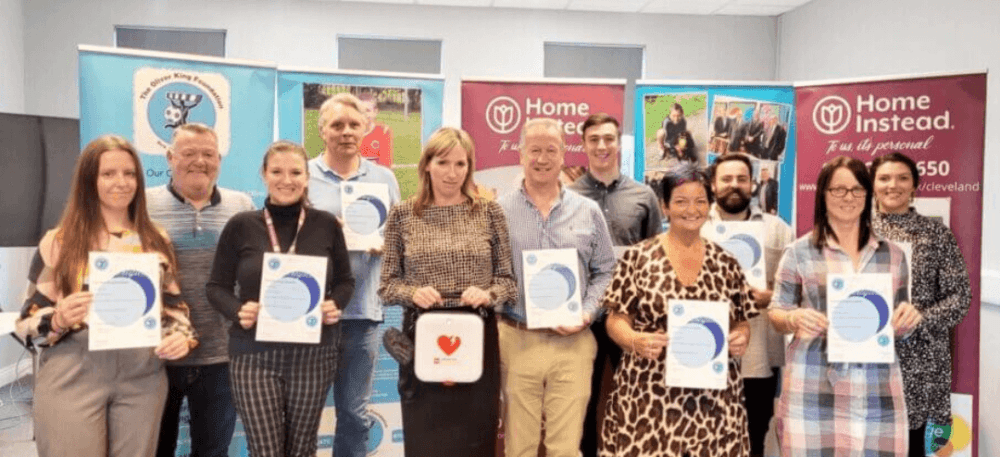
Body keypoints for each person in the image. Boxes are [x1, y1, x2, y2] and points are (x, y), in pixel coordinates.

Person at [15, 134, 196, 457]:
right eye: (108, 174)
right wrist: (57, 318)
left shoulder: (156, 241)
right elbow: (26, 323)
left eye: (129, 174)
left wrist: (181, 337)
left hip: (143, 377)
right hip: (74, 373)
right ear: (89, 180)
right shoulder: (59, 242)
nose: (122, 182)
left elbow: (175, 312)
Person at [206, 140, 354, 457]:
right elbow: (216, 287)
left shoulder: (326, 224)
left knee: (302, 448)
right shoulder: (241, 225)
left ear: (307, 177)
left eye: (295, 172)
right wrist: (237, 310)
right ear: (264, 174)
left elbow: (345, 281)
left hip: (314, 354)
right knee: (265, 449)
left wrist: (335, 304)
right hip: (253, 355)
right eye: (277, 171)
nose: (286, 180)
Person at [599, 162, 754, 457]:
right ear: (665, 206)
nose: (691, 209)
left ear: (710, 205)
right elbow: (615, 320)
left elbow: (741, 322)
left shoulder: (727, 262)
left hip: (714, 401)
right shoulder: (637, 258)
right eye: (681, 201)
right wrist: (634, 340)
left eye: (700, 201)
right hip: (648, 396)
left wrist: (740, 338)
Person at [378, 127, 517, 456]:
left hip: (478, 332)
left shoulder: (489, 211)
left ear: (470, 167)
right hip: (421, 332)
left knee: (474, 435)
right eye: (443, 163)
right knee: (426, 436)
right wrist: (413, 293)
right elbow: (387, 286)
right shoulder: (402, 214)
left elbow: (508, 283)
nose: (452, 173)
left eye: (461, 164)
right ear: (427, 165)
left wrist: (488, 294)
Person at [769, 156, 919, 456]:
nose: (848, 197)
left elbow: (897, 321)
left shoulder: (893, 256)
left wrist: (907, 320)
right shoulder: (799, 251)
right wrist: (794, 317)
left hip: (877, 389)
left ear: (868, 194)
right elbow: (776, 312)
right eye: (838, 189)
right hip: (814, 388)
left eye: (856, 189)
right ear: (823, 195)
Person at [498, 118, 616, 457]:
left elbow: (606, 270)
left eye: (551, 150)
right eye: (534, 150)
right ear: (521, 154)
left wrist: (587, 312)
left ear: (564, 155)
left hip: (573, 344)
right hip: (517, 338)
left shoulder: (588, 211)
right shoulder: (499, 211)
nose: (542, 158)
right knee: (519, 447)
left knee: (565, 449)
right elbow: (490, 273)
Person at [147, 123, 254, 457]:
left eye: (208, 154)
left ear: (219, 159)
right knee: (155, 448)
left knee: (212, 450)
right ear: (169, 157)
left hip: (221, 355)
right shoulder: (143, 206)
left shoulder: (241, 205)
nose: (199, 161)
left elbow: (255, 270)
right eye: (189, 153)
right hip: (158, 353)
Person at [307, 92, 402, 457]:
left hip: (363, 313)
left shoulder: (383, 178)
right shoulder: (305, 175)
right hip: (312, 314)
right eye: (337, 125)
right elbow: (286, 239)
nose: (346, 132)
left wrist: (385, 244)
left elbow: (399, 237)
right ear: (322, 130)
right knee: (304, 411)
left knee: (353, 413)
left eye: (353, 125)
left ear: (366, 128)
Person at [567, 113, 662, 457]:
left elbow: (656, 255)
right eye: (594, 140)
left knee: (636, 398)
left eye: (608, 138)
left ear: (619, 143)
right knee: (583, 401)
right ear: (583, 145)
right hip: (584, 317)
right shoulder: (569, 197)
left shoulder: (644, 195)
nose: (602, 146)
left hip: (632, 319)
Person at [869, 152, 971, 457]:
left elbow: (960, 298)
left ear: (914, 186)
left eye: (902, 178)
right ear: (872, 185)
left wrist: (920, 317)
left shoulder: (936, 234)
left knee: (917, 448)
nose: (893, 185)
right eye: (884, 178)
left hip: (923, 365)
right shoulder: (856, 234)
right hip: (868, 363)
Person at [703, 154, 793, 457]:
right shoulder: (694, 227)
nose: (734, 186)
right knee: (704, 437)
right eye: (726, 179)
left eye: (741, 179)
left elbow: (794, 291)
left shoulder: (778, 229)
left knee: (754, 436)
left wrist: (770, 297)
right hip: (702, 355)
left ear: (753, 183)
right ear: (713, 185)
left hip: (759, 359)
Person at [359, 92, 394, 168]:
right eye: (360, 111)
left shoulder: (383, 132)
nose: (364, 114)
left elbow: (386, 166)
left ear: (375, 112)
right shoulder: (350, 133)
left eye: (367, 110)